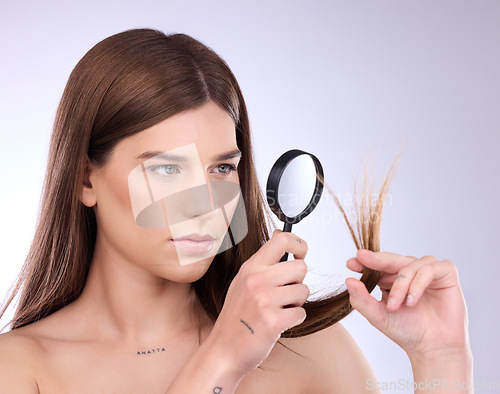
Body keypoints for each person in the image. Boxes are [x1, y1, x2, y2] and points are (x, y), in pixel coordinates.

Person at [0, 28, 473, 393]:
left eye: (222, 168)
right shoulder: (20, 369)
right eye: (167, 170)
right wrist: (223, 358)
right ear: (86, 179)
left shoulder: (308, 347)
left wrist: (443, 360)